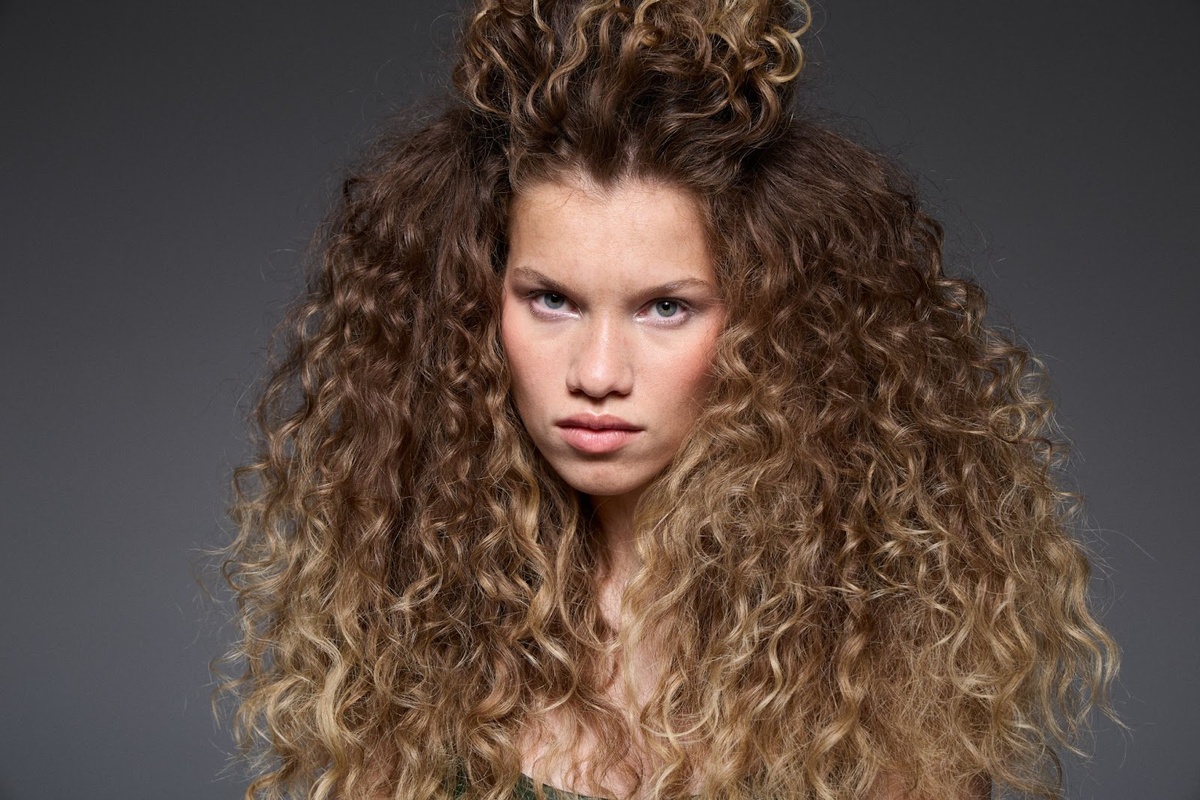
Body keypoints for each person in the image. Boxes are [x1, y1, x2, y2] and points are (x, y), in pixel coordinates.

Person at [218, 1, 1118, 798]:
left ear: (775, 326)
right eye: (552, 299)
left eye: (665, 308)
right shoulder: (414, 627)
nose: (597, 372)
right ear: (474, 305)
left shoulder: (869, 658)